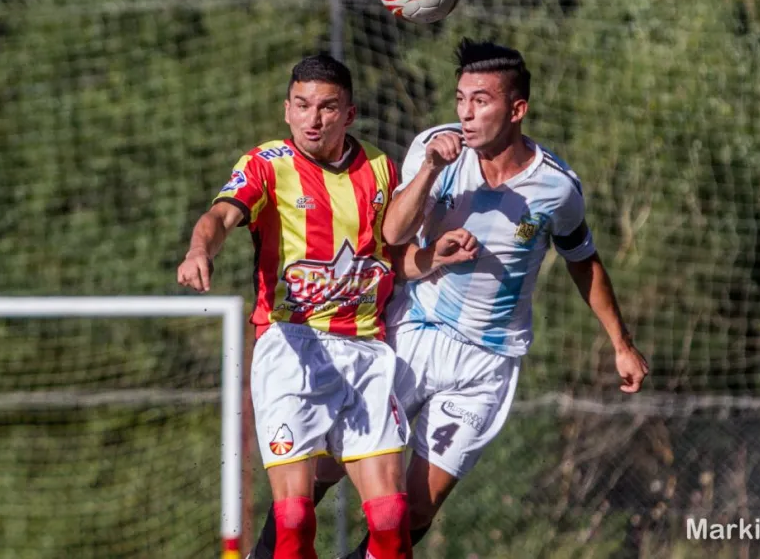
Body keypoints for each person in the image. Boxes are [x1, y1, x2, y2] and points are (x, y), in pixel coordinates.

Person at [247, 38, 650, 558]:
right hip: (413, 330)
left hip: (487, 361)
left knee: (411, 512)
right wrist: (431, 174)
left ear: (517, 109)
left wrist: (621, 342)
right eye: (461, 98)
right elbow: (392, 235)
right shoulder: (436, 148)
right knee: (322, 471)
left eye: (480, 100)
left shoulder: (556, 188)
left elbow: (583, 260)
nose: (466, 112)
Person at [176, 53, 477, 559]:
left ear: (349, 114)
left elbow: (390, 259)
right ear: (287, 110)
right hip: (292, 346)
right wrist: (199, 249)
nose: (313, 119)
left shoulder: (380, 170)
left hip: (364, 350)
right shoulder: (267, 164)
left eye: (327, 107)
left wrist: (432, 258)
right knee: (293, 521)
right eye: (302, 105)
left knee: (391, 521)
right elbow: (222, 216)